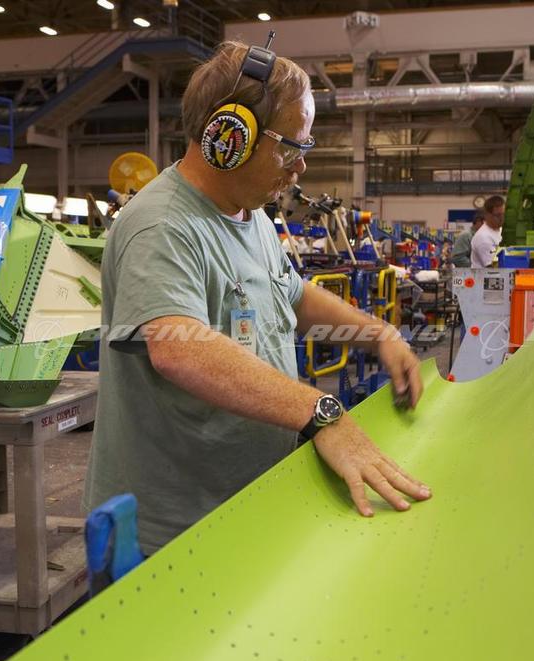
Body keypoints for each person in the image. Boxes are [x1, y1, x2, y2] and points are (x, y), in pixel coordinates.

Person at [84, 41, 431, 556]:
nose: (300, 167)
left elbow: (294, 296)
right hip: (173, 533)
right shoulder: (163, 225)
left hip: (241, 505)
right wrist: (322, 411)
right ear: (229, 136)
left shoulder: (253, 218)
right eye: (290, 148)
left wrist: (377, 334)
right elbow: (178, 349)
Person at [471, 195, 505, 268]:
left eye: (503, 214)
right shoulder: (483, 237)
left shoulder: (500, 230)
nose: (501, 218)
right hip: (488, 274)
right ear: (487, 215)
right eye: (498, 215)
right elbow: (493, 267)